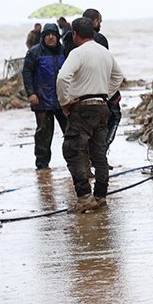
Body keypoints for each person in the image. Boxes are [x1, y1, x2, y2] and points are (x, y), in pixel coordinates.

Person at [57, 17, 124, 213]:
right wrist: (108, 94)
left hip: (83, 107)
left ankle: (85, 197)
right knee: (99, 153)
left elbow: (62, 77)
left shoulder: (77, 53)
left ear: (75, 35)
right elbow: (118, 76)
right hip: (102, 107)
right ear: (93, 33)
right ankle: (101, 197)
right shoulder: (104, 52)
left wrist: (64, 101)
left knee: (72, 150)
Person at [22, 23, 68, 170]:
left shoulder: (65, 51)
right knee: (43, 135)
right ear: (43, 36)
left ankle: (74, 163)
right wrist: (31, 93)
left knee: (71, 132)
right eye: (47, 34)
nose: (50, 37)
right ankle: (42, 166)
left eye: (53, 34)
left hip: (63, 100)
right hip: (42, 100)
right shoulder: (34, 52)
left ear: (57, 36)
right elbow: (27, 73)